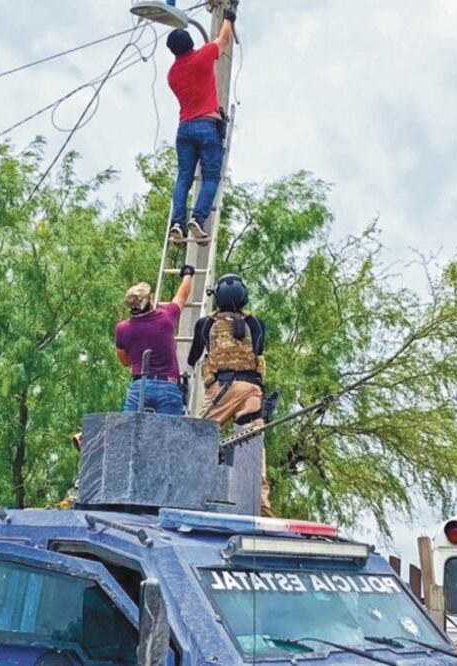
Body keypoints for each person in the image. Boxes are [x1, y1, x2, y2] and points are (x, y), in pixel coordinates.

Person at [186, 273, 273, 515]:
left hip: (221, 390)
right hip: (252, 391)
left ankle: (189, 491)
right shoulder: (255, 323)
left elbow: (193, 356)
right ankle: (261, 503)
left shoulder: (206, 324)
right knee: (253, 446)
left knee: (197, 438)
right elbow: (258, 350)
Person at [165, 7, 236, 244]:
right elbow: (224, 39)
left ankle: (177, 222)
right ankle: (198, 218)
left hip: (184, 128)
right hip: (207, 125)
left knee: (184, 177)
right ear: (190, 42)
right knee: (211, 178)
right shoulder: (202, 57)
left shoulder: (172, 74)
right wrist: (229, 16)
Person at [115, 265, 195, 415]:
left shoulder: (123, 328)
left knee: (128, 433)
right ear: (149, 300)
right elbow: (181, 296)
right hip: (168, 387)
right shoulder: (165, 317)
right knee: (169, 435)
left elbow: (125, 361)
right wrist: (188, 274)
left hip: (139, 388)